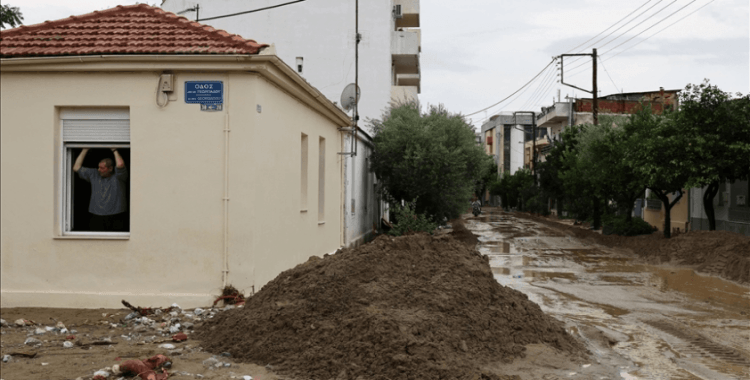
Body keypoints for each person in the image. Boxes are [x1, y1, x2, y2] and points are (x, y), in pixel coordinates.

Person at [73, 148, 129, 231]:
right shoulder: (94, 174)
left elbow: (120, 164)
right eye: (98, 167)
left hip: (116, 216)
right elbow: (76, 168)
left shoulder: (119, 176)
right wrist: (85, 149)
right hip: (96, 216)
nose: (99, 170)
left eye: (102, 168)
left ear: (110, 168)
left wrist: (114, 150)